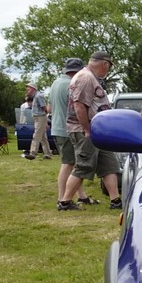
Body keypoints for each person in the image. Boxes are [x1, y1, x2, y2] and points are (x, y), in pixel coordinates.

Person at [60, 51, 121, 211]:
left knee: (109, 165)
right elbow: (79, 105)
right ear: (104, 64)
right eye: (108, 67)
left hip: (98, 131)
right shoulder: (85, 77)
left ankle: (116, 200)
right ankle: (65, 202)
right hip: (85, 131)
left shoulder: (91, 77)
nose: (107, 71)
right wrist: (87, 130)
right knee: (84, 165)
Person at [48, 57, 97, 206]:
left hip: (57, 128)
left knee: (75, 164)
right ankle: (62, 199)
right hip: (67, 129)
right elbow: (78, 106)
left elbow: (49, 107)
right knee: (68, 164)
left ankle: (81, 196)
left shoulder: (56, 83)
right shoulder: (72, 83)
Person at [23, 82, 53, 160]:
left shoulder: (39, 96)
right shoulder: (35, 96)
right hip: (38, 118)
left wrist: (45, 119)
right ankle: (47, 154)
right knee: (43, 137)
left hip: (40, 117)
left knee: (36, 135)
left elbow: (44, 108)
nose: (27, 89)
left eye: (29, 88)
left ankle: (32, 153)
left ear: (33, 88)